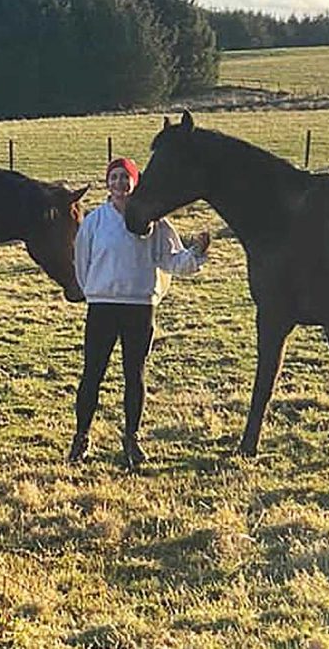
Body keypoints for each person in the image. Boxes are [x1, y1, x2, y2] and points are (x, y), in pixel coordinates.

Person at [68, 156, 210, 468]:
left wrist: (196, 252)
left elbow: (171, 260)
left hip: (140, 307)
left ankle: (131, 438)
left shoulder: (155, 222)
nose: (120, 183)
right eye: (114, 177)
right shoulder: (95, 222)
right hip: (103, 307)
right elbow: (82, 262)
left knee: (135, 375)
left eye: (125, 178)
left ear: (135, 182)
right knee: (92, 373)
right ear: (108, 183)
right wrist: (95, 290)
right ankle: (81, 437)